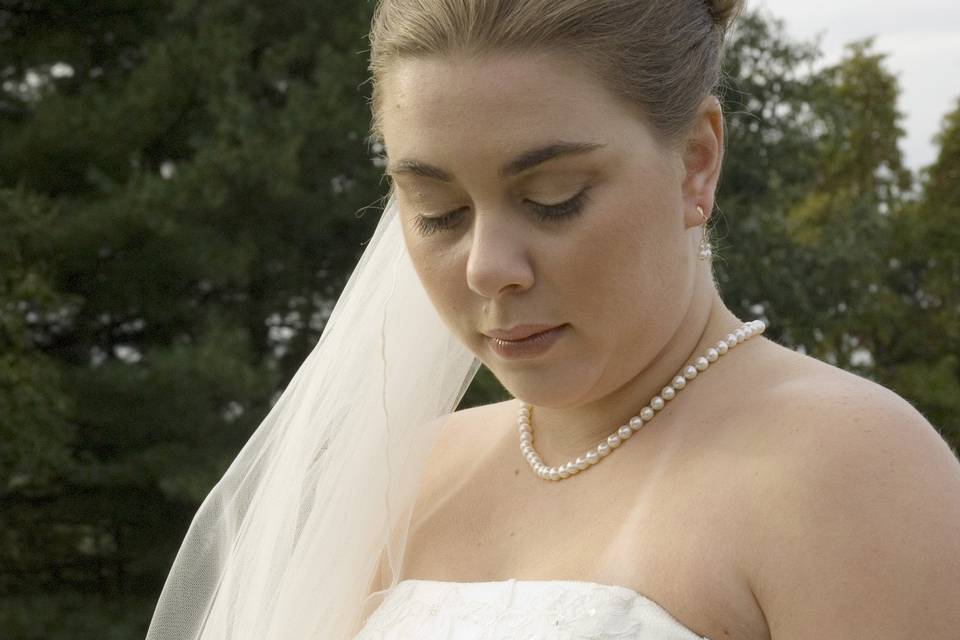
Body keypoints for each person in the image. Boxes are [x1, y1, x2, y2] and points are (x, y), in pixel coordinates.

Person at [147, 1, 960, 639]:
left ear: (697, 160)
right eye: (437, 211)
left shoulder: (848, 474)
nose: (486, 267)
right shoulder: (407, 478)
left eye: (551, 198)